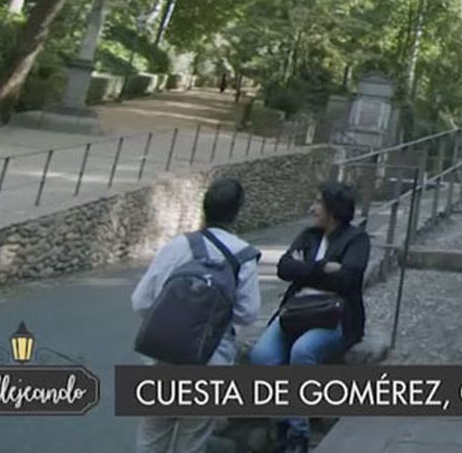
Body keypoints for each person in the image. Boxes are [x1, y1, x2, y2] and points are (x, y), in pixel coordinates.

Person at [130, 178, 261, 453]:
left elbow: (140, 301)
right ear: (237, 212)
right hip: (211, 358)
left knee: (151, 438)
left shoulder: (175, 246)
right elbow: (248, 313)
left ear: (204, 208)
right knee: (192, 441)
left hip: (162, 356)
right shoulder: (244, 256)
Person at [250, 181, 370, 453]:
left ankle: (297, 435)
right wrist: (322, 267)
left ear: (333, 209)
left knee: (303, 352)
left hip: (334, 316)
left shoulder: (357, 239)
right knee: (262, 356)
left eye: (318, 203)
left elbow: (349, 279)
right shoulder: (308, 235)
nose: (312, 208)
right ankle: (281, 421)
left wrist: (305, 270)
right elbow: (284, 267)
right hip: (296, 312)